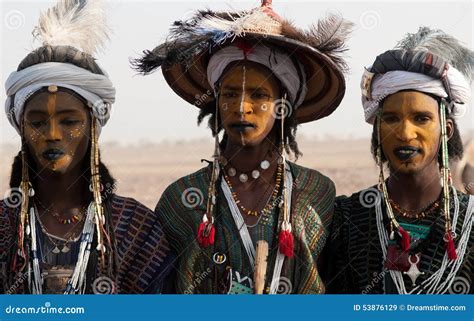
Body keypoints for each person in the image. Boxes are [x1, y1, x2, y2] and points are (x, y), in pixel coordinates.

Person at [134, 0, 352, 293]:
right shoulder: (181, 200)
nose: (242, 107)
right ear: (216, 102)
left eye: (259, 94)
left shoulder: (316, 193)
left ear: (282, 106)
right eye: (230, 93)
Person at [0, 0, 171, 294]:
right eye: (38, 122)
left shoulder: (135, 228)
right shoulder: (4, 225)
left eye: (69, 122)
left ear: (94, 128)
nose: (52, 134)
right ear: (21, 127)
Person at [326, 27, 473, 294]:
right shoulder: (344, 220)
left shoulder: (470, 221)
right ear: (377, 130)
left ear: (446, 129)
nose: (405, 134)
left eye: (421, 118)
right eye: (391, 119)